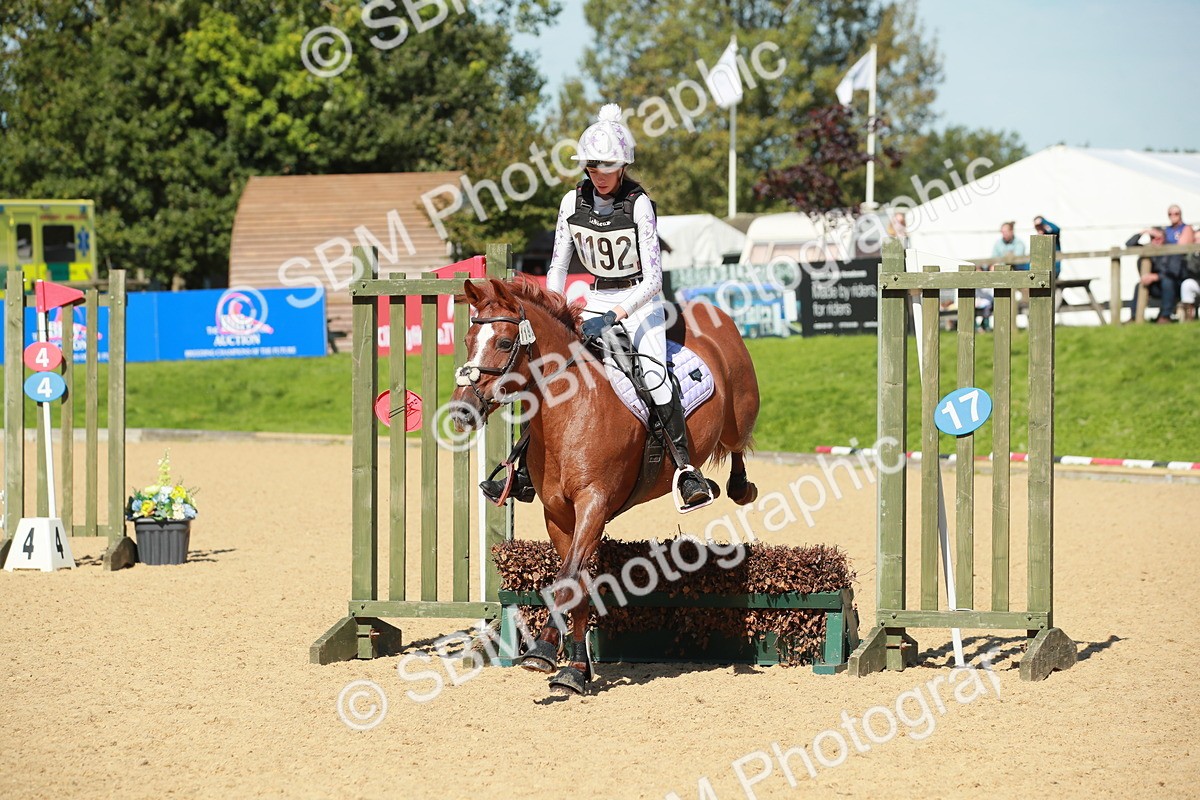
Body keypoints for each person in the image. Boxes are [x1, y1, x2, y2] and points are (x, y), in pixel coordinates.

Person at [479, 103, 713, 510]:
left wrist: (617, 315)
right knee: (546, 372)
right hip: (594, 297)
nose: (598, 175)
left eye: (605, 167)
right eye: (591, 167)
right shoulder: (572, 203)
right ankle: (524, 472)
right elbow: (557, 265)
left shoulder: (638, 204)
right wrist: (555, 307)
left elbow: (655, 279)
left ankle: (685, 470)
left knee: (654, 375)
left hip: (638, 300)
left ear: (622, 166)